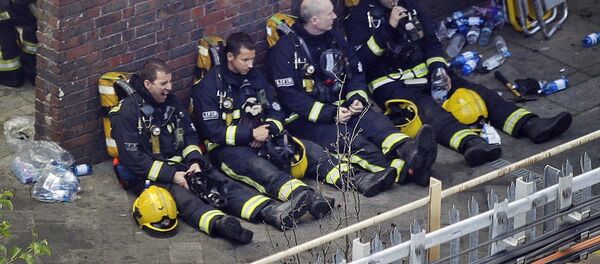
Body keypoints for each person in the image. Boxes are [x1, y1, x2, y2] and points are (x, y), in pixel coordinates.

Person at [344, 0, 572, 167]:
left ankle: (531, 125)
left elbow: (432, 42)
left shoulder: (411, 5)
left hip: (426, 73)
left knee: (480, 93)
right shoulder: (358, 18)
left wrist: (438, 67)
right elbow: (362, 62)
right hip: (392, 83)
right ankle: (472, 145)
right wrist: (388, 28)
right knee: (430, 111)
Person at [110, 59, 306, 244]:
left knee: (222, 185)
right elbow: (133, 159)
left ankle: (271, 212)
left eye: (170, 82)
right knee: (185, 199)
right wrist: (173, 176)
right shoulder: (126, 114)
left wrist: (195, 161)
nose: (169, 88)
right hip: (153, 175)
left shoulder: (170, 102)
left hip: (185, 165)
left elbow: (189, 135)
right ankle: (221, 225)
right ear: (147, 84)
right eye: (163, 83)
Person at [267, 0, 437, 191]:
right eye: (329, 13)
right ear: (314, 20)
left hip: (343, 105)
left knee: (378, 126)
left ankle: (411, 151)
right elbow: (291, 98)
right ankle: (405, 170)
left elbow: (355, 70)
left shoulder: (333, 37)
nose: (334, 16)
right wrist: (331, 114)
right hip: (309, 120)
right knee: (354, 143)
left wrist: (356, 98)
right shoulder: (283, 52)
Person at [191, 32, 337, 219]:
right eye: (245, 60)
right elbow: (213, 132)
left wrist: (268, 131)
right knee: (261, 168)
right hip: (228, 149)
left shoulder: (255, 77)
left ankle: (353, 178)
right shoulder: (209, 87)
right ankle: (306, 197)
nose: (251, 65)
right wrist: (251, 134)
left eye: (252, 59)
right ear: (230, 57)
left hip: (263, 136)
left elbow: (276, 108)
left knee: (307, 149)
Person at [0, 0, 37, 87]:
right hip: (38, 10)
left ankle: (10, 74)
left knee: (3, 27)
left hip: (20, 7)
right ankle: (32, 69)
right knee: (33, 26)